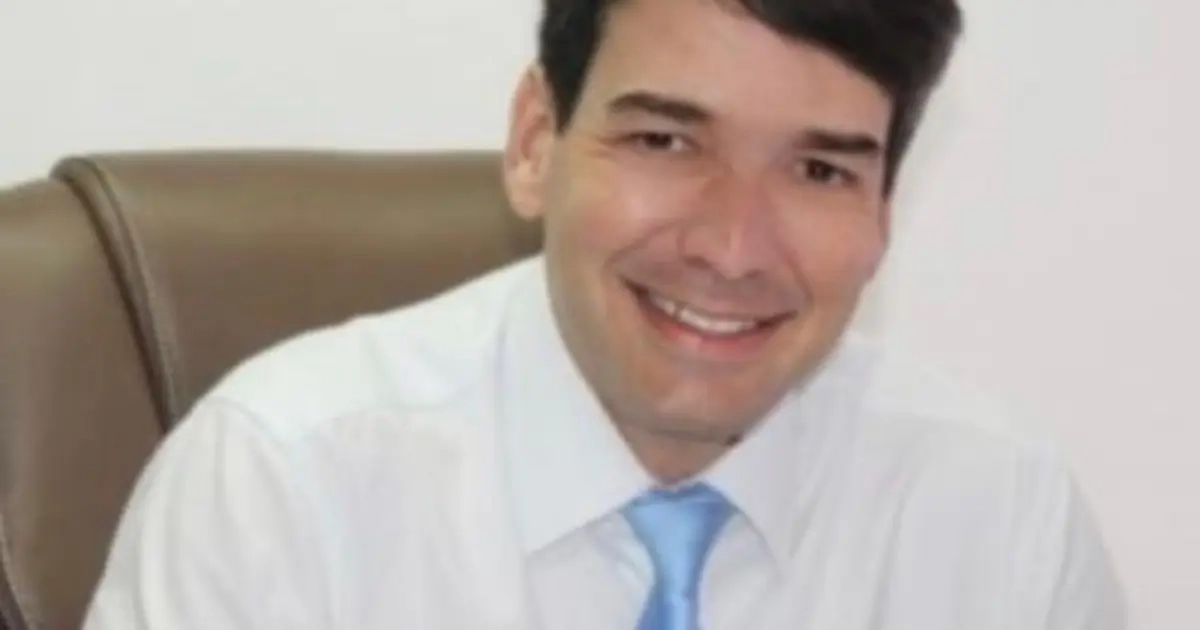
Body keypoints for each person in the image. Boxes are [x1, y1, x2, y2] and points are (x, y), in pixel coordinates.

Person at [83, 0, 1128, 628]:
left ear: (883, 210)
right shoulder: (280, 482)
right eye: (665, 142)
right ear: (535, 141)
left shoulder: (999, 512)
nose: (731, 248)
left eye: (819, 170)